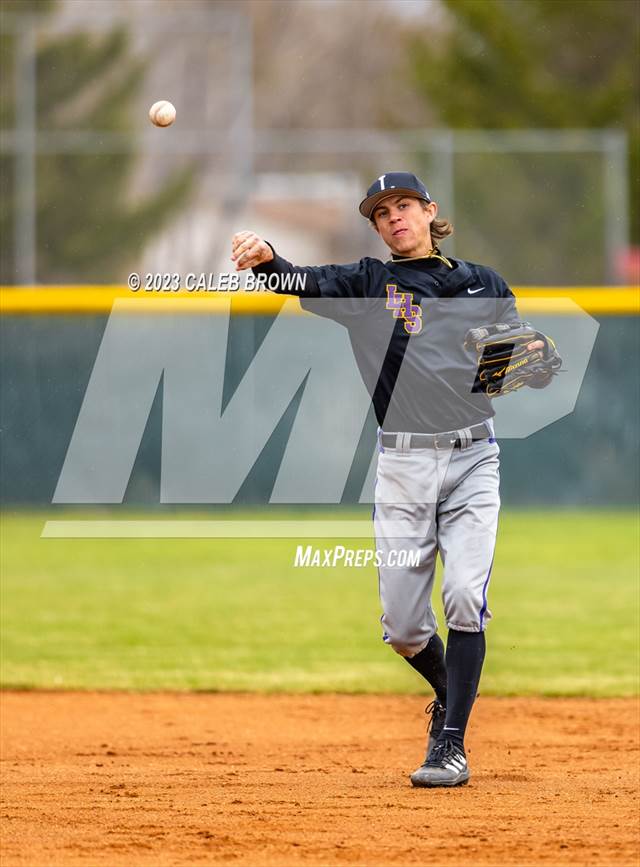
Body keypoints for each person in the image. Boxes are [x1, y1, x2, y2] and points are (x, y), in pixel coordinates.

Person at [231, 172, 544, 788]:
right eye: (381, 213)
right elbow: (298, 279)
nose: (393, 217)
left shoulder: (486, 284)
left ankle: (450, 741)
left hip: (474, 461)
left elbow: (509, 369)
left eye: (403, 205)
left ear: (430, 211)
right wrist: (268, 256)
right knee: (403, 629)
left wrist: (520, 365)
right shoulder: (370, 284)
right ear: (375, 227)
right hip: (403, 466)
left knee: (463, 598)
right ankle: (449, 695)